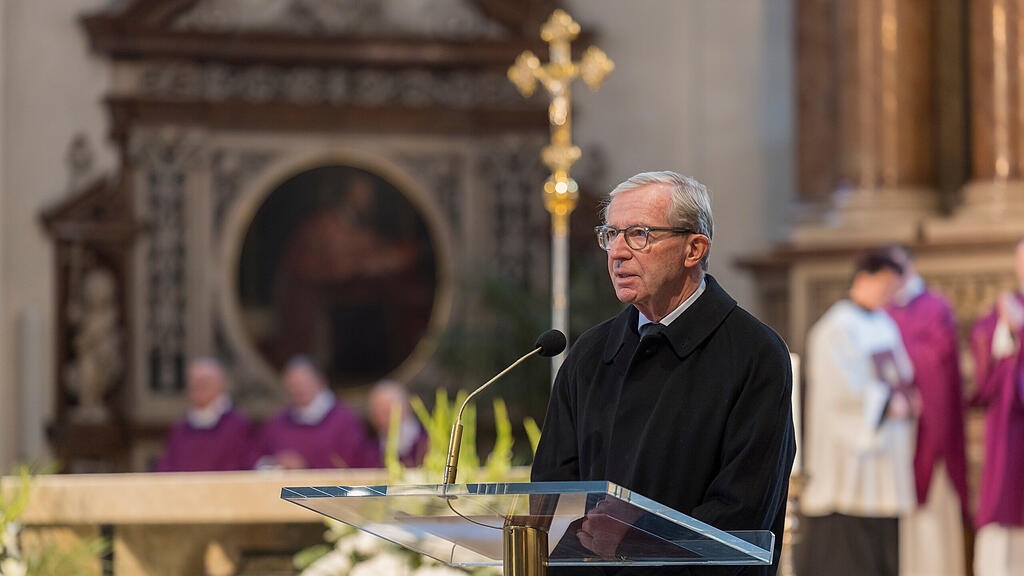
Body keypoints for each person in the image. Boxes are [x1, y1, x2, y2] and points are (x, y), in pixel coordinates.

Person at [531, 171, 795, 575]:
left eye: (638, 234)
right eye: (611, 234)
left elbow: (744, 510)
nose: (617, 252)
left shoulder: (754, 353)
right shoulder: (591, 353)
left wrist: (632, 541)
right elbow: (552, 494)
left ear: (694, 249)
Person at [798, 250, 917, 576]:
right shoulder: (835, 328)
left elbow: (901, 373)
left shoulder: (884, 323)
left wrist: (907, 396)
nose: (889, 295)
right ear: (864, 278)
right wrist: (885, 402)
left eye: (895, 288)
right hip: (849, 465)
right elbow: (840, 394)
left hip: (885, 462)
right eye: (886, 286)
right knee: (848, 556)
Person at [885, 245, 969, 576]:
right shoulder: (886, 312)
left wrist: (904, 366)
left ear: (912, 269)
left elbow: (938, 363)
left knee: (934, 519)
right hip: (898, 431)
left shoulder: (936, 308)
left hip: (929, 429)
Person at [969, 239, 1024, 576]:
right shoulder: (1004, 309)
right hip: (1009, 428)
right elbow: (985, 357)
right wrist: (1006, 329)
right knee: (1003, 497)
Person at [248, 356, 380, 469]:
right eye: (292, 385)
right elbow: (254, 460)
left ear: (320, 382)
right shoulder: (277, 423)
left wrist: (306, 466)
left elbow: (355, 465)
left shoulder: (344, 421)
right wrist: (275, 462)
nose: (297, 389)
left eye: (302, 383)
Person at [156, 358, 251, 472]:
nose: (199, 387)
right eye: (195, 383)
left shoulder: (236, 425)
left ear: (220, 385)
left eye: (204, 382)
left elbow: (245, 464)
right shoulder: (180, 428)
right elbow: (167, 466)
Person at [368, 379, 428, 467]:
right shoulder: (371, 448)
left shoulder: (426, 442)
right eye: (380, 406)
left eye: (390, 404)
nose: (385, 411)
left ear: (408, 407)